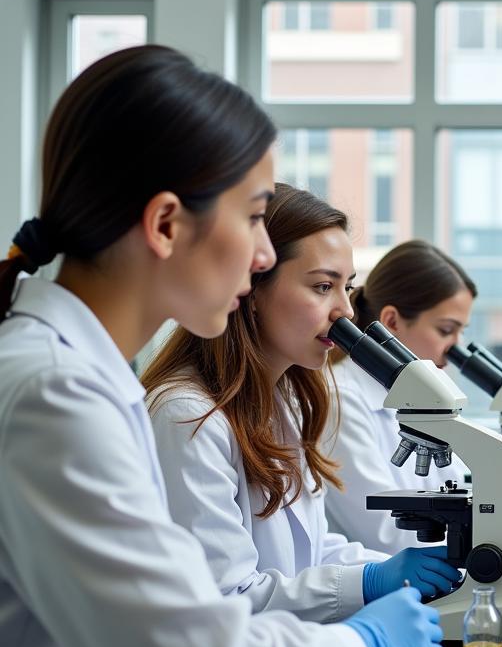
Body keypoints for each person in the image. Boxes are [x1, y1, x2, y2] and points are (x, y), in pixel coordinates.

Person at [0, 46, 442, 647]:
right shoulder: (56, 393)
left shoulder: (82, 380)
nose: (265, 253)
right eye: (255, 215)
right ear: (167, 223)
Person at [142, 185, 462, 618]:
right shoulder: (188, 417)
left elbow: (307, 552)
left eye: (346, 288)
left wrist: (387, 571)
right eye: (323, 286)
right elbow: (228, 599)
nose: (345, 312)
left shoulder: (285, 401)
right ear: (250, 288)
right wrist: (368, 584)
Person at [325, 239, 477, 552]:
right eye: (446, 330)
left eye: (461, 332)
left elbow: (457, 490)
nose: (454, 350)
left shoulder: (421, 400)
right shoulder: (339, 400)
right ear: (391, 322)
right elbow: (383, 533)